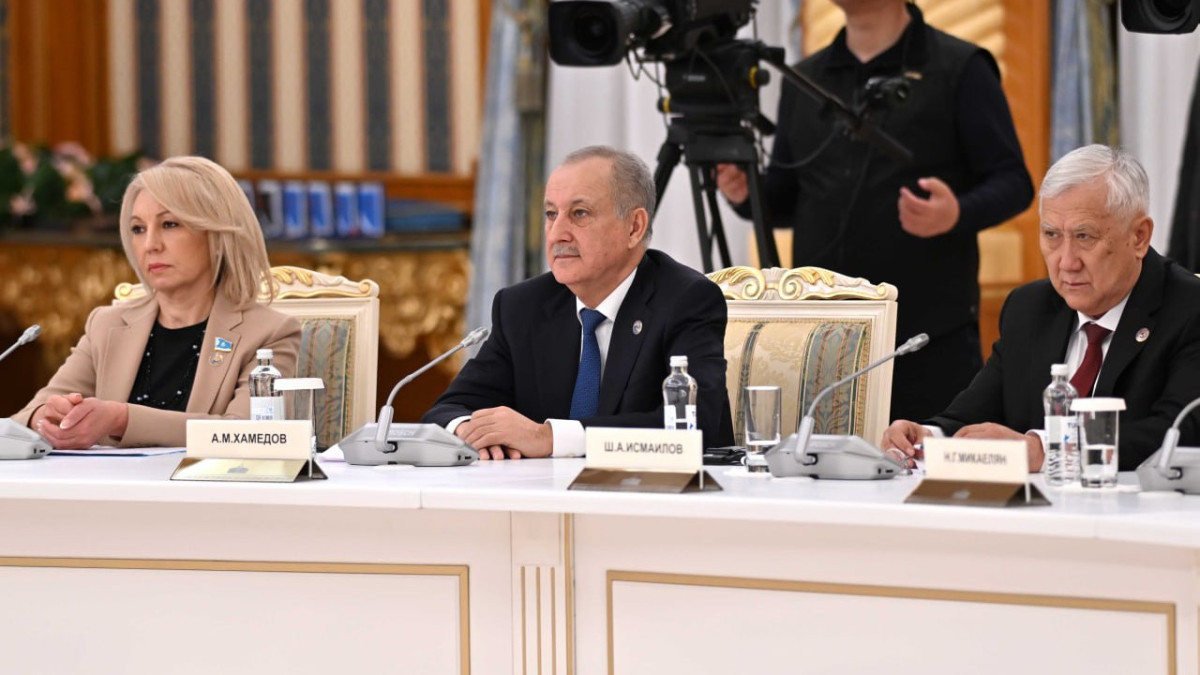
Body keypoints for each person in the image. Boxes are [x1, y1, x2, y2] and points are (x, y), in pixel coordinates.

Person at [716, 0, 1033, 422]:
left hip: (926, 335)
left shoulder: (960, 66)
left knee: (925, 458)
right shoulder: (805, 79)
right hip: (821, 335)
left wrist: (956, 212)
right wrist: (744, 193)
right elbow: (787, 199)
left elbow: (1014, 182)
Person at [882, 145, 1200, 472]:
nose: (1066, 262)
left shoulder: (1189, 309)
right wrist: (928, 436)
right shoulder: (1029, 308)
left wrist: (1046, 450)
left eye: (1084, 236)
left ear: (1139, 237)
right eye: (1051, 234)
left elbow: (1180, 433)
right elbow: (972, 416)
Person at [423, 145, 734, 459]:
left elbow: (692, 427)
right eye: (551, 214)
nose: (557, 233)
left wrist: (549, 438)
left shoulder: (686, 300)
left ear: (634, 227)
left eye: (579, 213)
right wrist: (472, 431)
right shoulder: (523, 307)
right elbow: (448, 410)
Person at [9, 156, 301, 449]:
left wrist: (122, 420)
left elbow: (253, 436)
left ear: (217, 233)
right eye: (138, 229)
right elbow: (22, 420)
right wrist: (44, 417)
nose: (150, 245)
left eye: (169, 224)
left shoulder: (269, 333)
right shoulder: (106, 324)